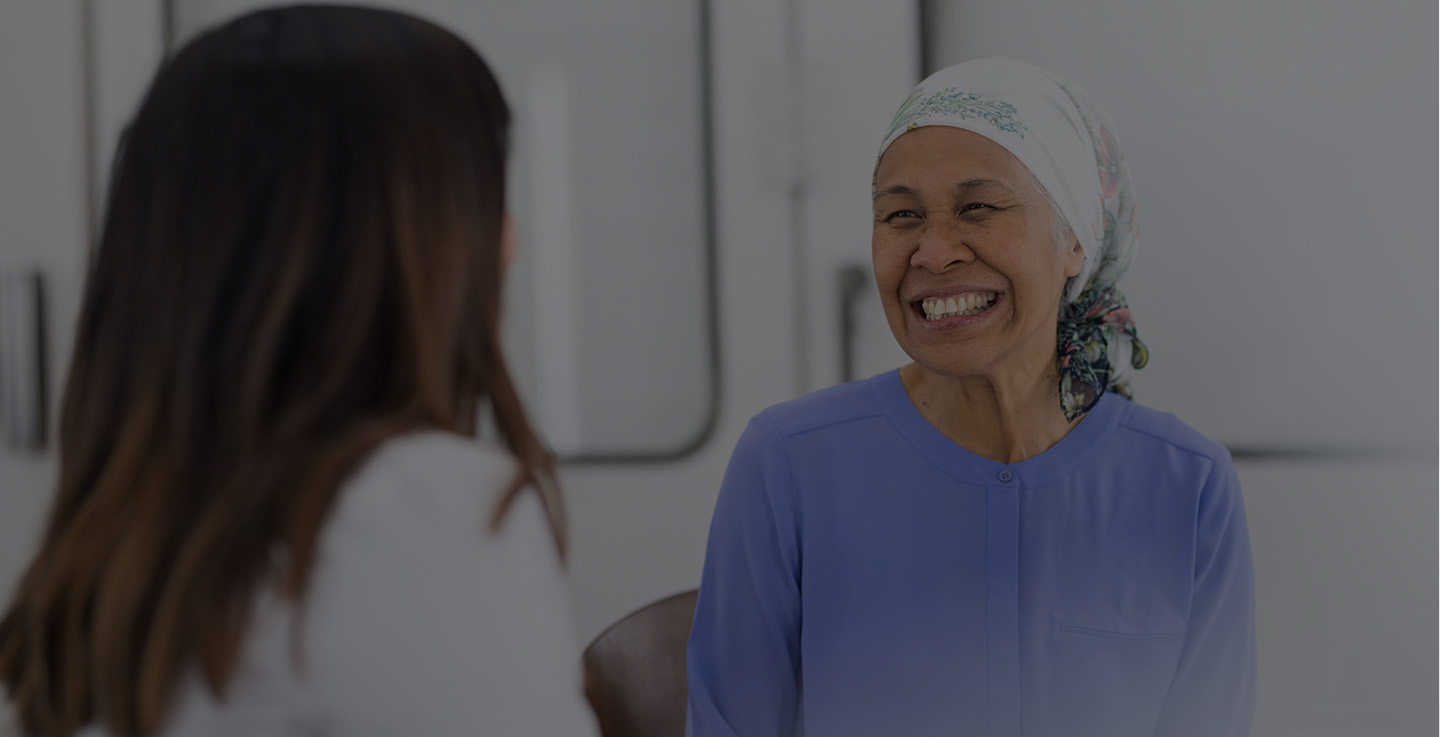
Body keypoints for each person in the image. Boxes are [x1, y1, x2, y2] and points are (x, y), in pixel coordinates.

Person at [0, 6, 598, 737]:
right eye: (481, 199)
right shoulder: (417, 510)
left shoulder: (126, 548)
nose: (509, 239)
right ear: (409, 247)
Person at [686, 57, 1255, 737]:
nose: (933, 251)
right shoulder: (787, 465)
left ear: (1074, 238)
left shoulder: (1187, 486)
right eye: (901, 215)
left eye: (978, 207)